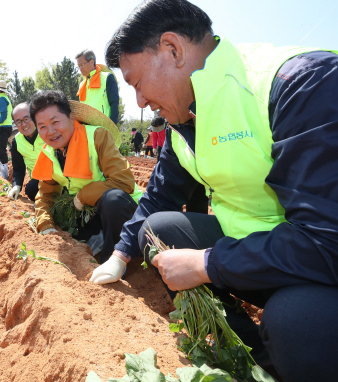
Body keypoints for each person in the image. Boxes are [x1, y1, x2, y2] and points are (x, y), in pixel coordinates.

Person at [91, 1, 338, 381]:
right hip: (262, 252)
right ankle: (254, 362)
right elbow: (158, 195)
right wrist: (121, 254)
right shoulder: (186, 119)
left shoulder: (300, 83)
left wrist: (207, 263)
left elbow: (327, 240)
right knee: (159, 230)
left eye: (136, 82)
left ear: (172, 50)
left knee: (296, 323)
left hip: (319, 263)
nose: (139, 101)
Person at [31, 91, 143, 264]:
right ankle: (97, 239)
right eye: (42, 126)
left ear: (70, 117)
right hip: (86, 211)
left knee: (113, 200)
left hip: (121, 210)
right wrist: (45, 225)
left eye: (55, 122)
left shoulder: (97, 136)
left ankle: (113, 260)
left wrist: (83, 196)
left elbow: (123, 181)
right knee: (58, 216)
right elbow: (45, 194)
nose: (50, 131)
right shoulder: (48, 152)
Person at [8, 103, 45, 202]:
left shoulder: (46, 132)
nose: (24, 124)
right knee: (30, 189)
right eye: (18, 122)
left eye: (26, 119)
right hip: (39, 181)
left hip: (58, 177)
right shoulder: (17, 141)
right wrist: (16, 186)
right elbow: (19, 168)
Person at [76, 49, 120, 124]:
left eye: (82, 65)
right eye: (79, 66)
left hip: (103, 129)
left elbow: (114, 103)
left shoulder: (107, 77)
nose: (80, 68)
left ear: (92, 62)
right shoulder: (82, 85)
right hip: (87, 130)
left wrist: (112, 128)